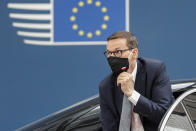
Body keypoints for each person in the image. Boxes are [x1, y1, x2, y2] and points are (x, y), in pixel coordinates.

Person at [99, 31, 174, 131]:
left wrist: (132, 94)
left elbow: (165, 116)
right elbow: (109, 127)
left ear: (134, 53)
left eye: (118, 52)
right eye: (109, 53)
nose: (112, 57)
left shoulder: (154, 71)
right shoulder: (106, 86)